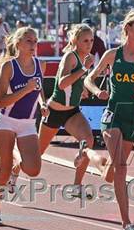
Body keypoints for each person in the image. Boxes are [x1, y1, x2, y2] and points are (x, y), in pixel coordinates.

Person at [82, 10, 134, 230]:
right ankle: (127, 224)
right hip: (113, 112)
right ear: (128, 29)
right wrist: (97, 91)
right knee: (122, 168)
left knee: (111, 173)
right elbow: (89, 78)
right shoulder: (113, 55)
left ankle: (87, 154)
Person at [10, 24, 96, 199]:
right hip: (54, 112)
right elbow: (62, 84)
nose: (89, 44)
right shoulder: (70, 57)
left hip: (72, 112)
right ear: (75, 41)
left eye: (92, 40)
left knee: (89, 140)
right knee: (36, 156)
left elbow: (74, 83)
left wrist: (82, 89)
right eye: (85, 40)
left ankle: (77, 186)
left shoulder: (85, 58)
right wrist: (84, 69)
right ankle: (14, 171)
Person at [0, 27, 48, 225]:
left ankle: (18, 168)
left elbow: (39, 91)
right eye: (29, 41)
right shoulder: (9, 67)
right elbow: (0, 101)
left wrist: (43, 104)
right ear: (18, 44)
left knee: (33, 169)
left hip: (28, 123)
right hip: (6, 120)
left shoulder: (41, 65)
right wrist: (25, 89)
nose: (33, 45)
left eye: (35, 41)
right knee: (3, 170)